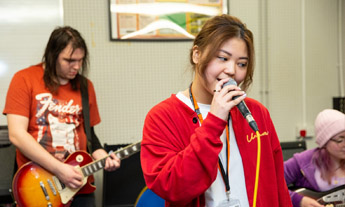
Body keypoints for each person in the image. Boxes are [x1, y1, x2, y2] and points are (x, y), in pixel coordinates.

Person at [140, 14, 292, 207]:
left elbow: (278, 186)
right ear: (197, 54)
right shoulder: (163, 117)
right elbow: (171, 187)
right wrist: (214, 121)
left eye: (241, 64)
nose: (231, 70)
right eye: (223, 58)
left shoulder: (256, 113)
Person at [3, 26, 120, 207]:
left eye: (80, 61)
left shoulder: (84, 86)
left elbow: (90, 136)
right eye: (69, 60)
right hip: (39, 185)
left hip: (79, 184)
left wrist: (104, 157)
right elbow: (17, 135)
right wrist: (59, 169)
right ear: (52, 56)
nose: (77, 66)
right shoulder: (24, 79)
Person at [284, 109, 345, 207]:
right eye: (340, 140)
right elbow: (270, 184)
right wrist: (299, 200)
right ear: (324, 141)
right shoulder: (302, 162)